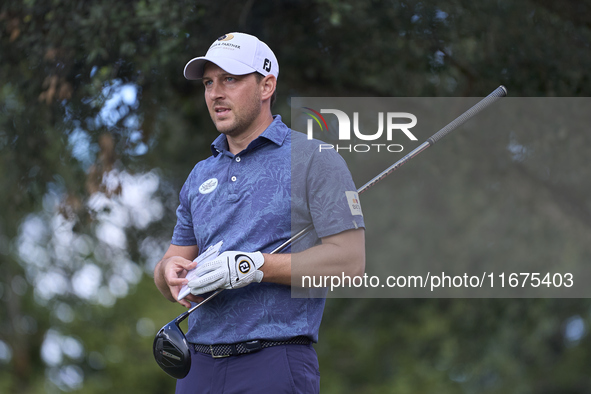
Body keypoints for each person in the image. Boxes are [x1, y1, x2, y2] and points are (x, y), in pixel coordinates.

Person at [154, 32, 365, 393]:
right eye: (208, 82)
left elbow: (349, 262)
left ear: (266, 85)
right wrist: (167, 273)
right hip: (198, 368)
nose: (215, 93)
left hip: (275, 362)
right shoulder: (201, 175)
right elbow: (171, 265)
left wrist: (252, 267)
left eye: (230, 80)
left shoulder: (316, 159)